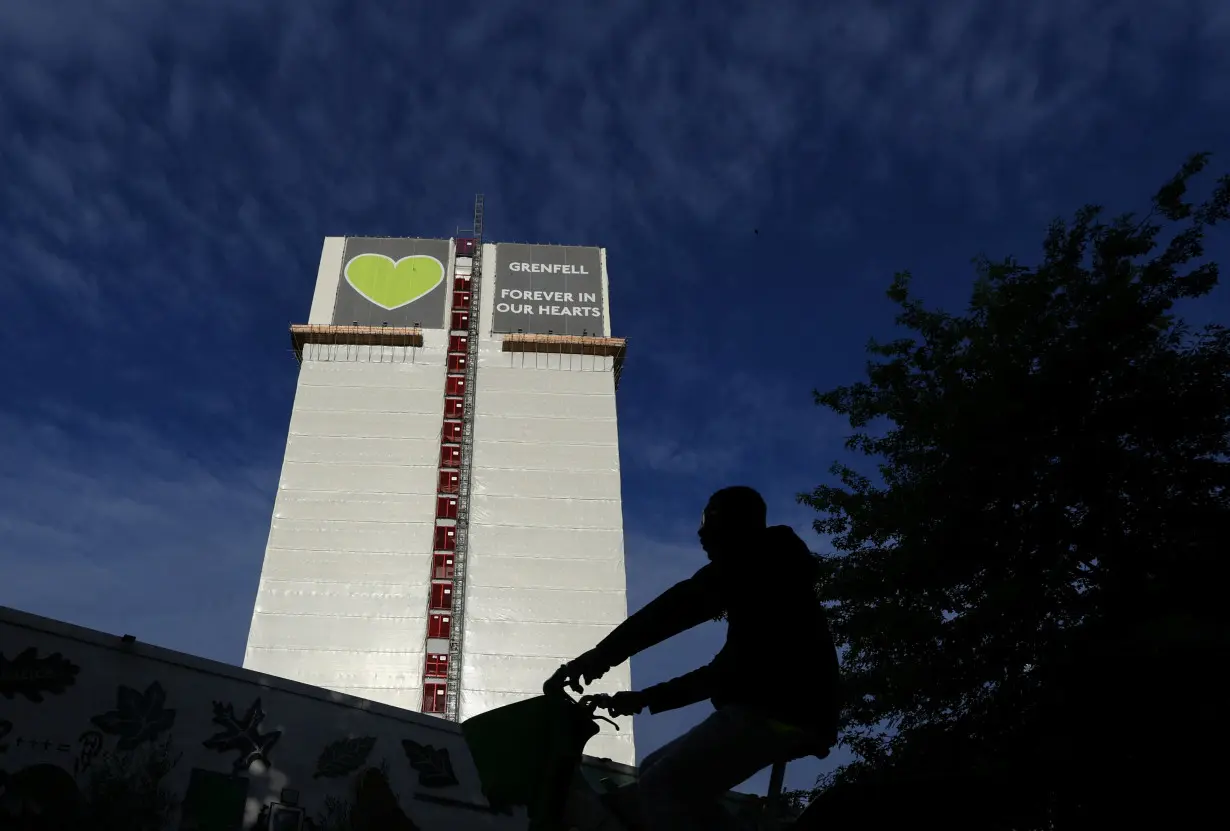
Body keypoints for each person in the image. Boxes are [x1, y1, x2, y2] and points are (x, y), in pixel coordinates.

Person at [546, 486, 842, 831]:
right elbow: (722, 672)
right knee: (655, 771)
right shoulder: (769, 592)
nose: (701, 532)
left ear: (739, 523)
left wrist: (596, 659)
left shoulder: (757, 560)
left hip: (778, 711)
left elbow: (675, 609)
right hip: (783, 710)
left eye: (711, 519)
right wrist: (643, 699)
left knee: (663, 785)